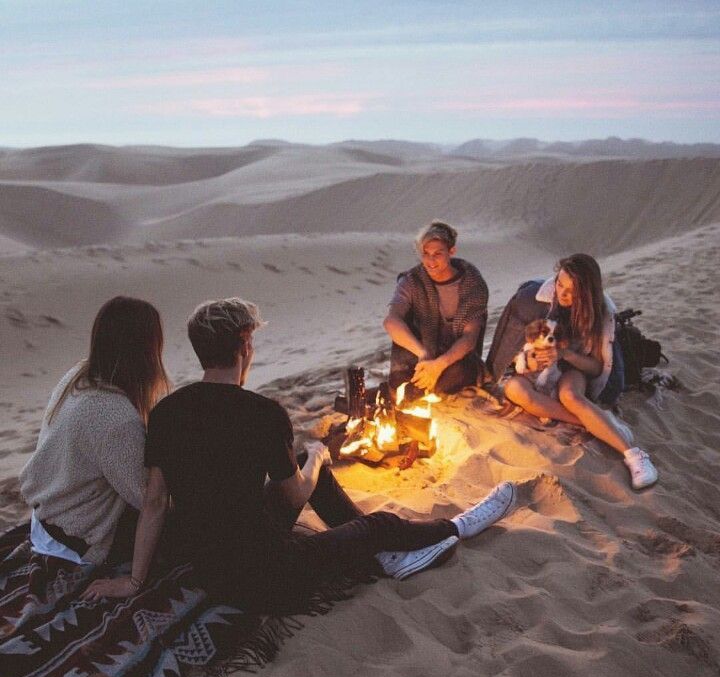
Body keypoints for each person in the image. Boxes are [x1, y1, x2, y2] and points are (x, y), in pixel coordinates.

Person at [84, 297, 516, 612]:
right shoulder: (262, 413)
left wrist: (134, 580)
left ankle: (382, 550)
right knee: (377, 520)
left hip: (202, 560)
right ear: (244, 343)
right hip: (266, 573)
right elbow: (292, 497)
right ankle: (456, 527)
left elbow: (156, 502)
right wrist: (318, 461)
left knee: (310, 472)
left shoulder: (166, 411)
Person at [20, 296, 171, 566]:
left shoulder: (79, 375)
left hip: (45, 520)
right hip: (78, 541)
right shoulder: (114, 417)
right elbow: (148, 499)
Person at [492, 254, 658, 491]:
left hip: (574, 368)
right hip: (540, 372)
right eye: (560, 284)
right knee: (514, 389)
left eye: (571, 290)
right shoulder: (540, 300)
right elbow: (518, 345)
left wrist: (565, 354)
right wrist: (530, 360)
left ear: (586, 293)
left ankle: (634, 455)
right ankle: (594, 422)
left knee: (569, 395)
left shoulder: (597, 313)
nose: (562, 293)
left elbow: (598, 367)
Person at [384, 221, 489, 394]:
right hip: (422, 352)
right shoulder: (412, 281)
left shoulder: (472, 282)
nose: (431, 260)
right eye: (426, 253)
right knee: (401, 376)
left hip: (456, 358)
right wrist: (423, 353)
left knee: (446, 380)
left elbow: (470, 337)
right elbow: (391, 321)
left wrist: (438, 366)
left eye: (438, 253)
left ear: (451, 252)